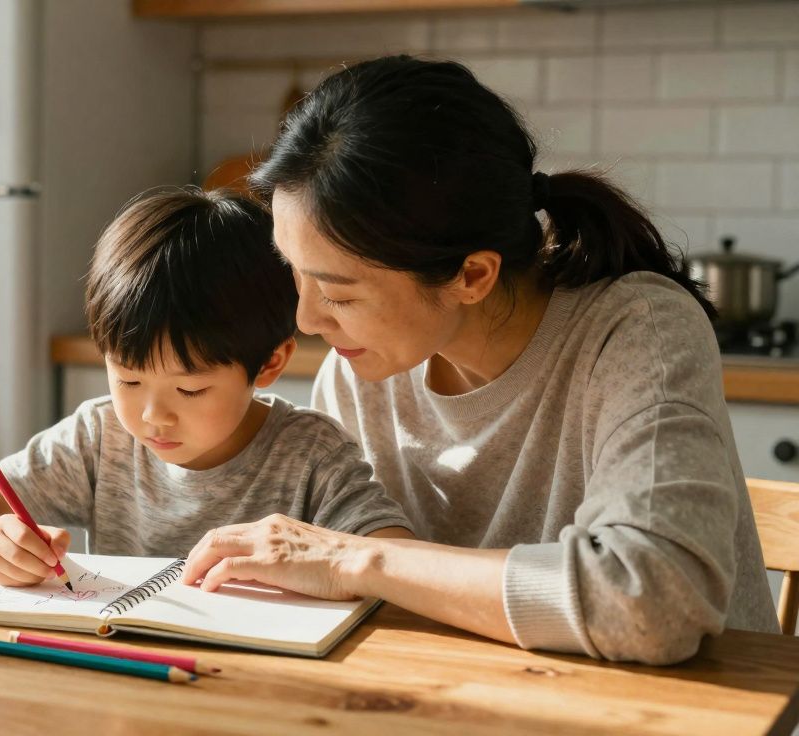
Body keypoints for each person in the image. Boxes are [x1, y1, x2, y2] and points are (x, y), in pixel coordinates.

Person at [180, 55, 778, 666]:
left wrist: (354, 558)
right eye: (295, 274)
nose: (307, 320)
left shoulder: (635, 331)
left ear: (472, 274)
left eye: (338, 292)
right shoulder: (360, 371)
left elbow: (653, 605)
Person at [0, 188, 411, 586]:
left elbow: (395, 555)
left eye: (191, 391)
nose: (152, 416)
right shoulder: (99, 438)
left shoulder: (312, 454)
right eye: (129, 379)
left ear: (269, 364)